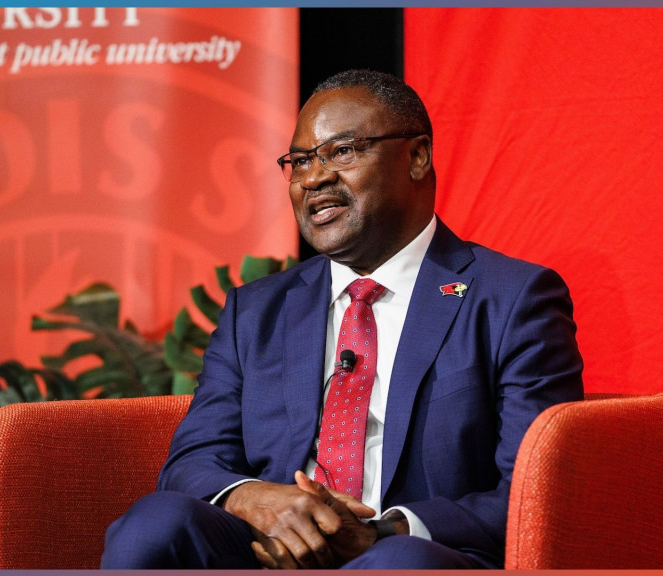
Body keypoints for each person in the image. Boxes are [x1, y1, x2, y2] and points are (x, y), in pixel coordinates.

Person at [101, 69, 583, 569]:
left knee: (398, 564)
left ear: (417, 157)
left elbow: (534, 494)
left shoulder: (511, 299)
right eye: (301, 161)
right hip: (271, 549)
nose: (313, 179)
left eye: (343, 151)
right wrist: (260, 501)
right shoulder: (256, 311)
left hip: (418, 554)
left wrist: (383, 531)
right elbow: (192, 461)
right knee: (155, 526)